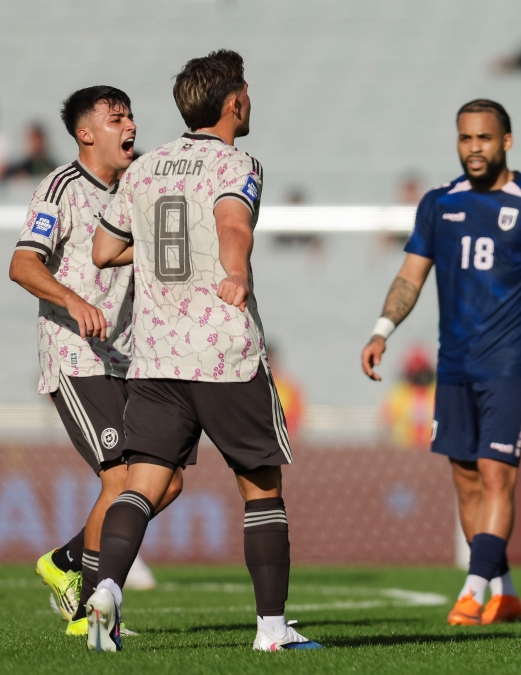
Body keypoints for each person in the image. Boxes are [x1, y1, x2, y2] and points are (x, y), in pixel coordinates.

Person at [88, 49, 320, 653]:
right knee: (261, 489)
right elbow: (232, 224)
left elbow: (103, 251)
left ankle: (107, 589)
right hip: (223, 352)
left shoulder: (145, 168)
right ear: (234, 102)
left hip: (156, 355)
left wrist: (160, 252)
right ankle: (272, 629)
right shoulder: (236, 162)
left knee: (141, 485)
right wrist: (234, 270)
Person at [361, 99, 521, 627]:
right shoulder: (438, 203)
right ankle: (504, 592)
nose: (473, 148)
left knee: (495, 473)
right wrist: (382, 331)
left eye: (484, 138)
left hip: (513, 361)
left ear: (506, 141)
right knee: (466, 479)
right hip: (455, 363)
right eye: (465, 138)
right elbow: (410, 275)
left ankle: (471, 591)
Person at [9, 86, 183, 637]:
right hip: (75, 354)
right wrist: (75, 301)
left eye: (131, 116)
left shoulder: (137, 188)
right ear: (86, 134)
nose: (130, 125)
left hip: (128, 356)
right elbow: (22, 264)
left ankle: (64, 561)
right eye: (116, 118)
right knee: (122, 478)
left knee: (166, 482)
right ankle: (89, 616)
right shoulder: (60, 188)